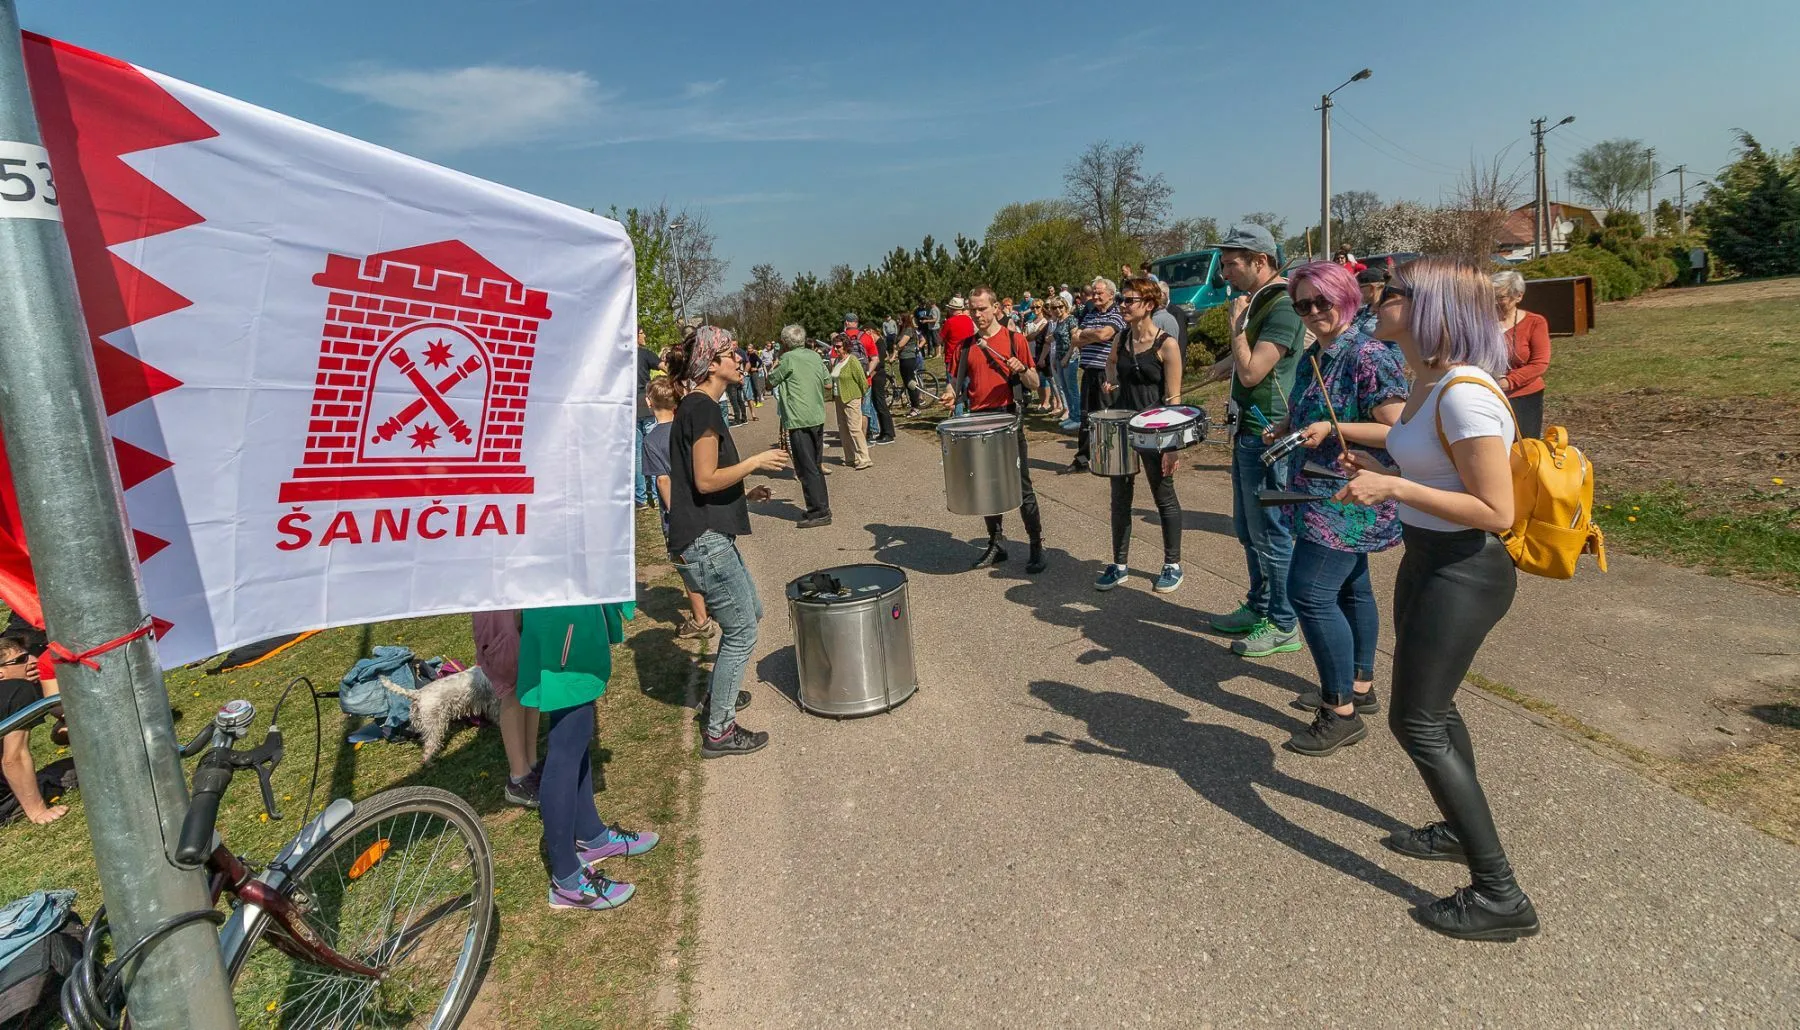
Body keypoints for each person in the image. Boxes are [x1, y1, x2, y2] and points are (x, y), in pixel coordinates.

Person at [1335, 256, 1538, 942]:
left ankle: (1500, 896)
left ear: (1430, 309)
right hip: (1427, 558)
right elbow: (1430, 466)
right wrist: (1381, 466)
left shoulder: (1464, 393)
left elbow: (1495, 510)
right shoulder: (1427, 382)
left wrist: (1394, 489)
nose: (1376, 298)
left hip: (1466, 569)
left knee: (1415, 721)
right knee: (1434, 710)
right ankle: (1458, 830)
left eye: (1391, 292)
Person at [1260, 262, 1409, 757]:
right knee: (1351, 586)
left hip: (1351, 495)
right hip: (1320, 489)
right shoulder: (1315, 356)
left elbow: (1396, 431)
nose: (1312, 312)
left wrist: (1331, 427)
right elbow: (1307, 407)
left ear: (1344, 296)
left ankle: (1339, 710)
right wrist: (1286, 425)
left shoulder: (1369, 355)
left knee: (1309, 592)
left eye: (1321, 301)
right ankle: (1359, 687)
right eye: (1303, 305)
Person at [667, 327, 789, 758]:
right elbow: (703, 479)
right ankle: (719, 730)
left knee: (749, 612)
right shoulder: (703, 410)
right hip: (706, 542)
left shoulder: (696, 407)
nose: (740, 360)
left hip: (708, 535)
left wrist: (743, 493)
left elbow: (698, 482)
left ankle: (722, 689)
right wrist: (756, 461)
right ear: (711, 363)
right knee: (743, 630)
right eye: (730, 354)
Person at [1206, 224, 1306, 659]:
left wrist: (1234, 328)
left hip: (1270, 433)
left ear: (1260, 261)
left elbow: (1253, 371)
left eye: (1231, 263)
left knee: (1272, 534)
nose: (1224, 272)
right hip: (1248, 429)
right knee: (1248, 530)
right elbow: (1241, 362)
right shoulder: (1262, 302)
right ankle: (1259, 605)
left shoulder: (1283, 306)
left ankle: (1284, 624)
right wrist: (1218, 366)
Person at [519, 603, 657, 910]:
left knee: (578, 734)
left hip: (572, 613)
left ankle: (591, 836)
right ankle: (567, 881)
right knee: (566, 744)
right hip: (562, 617)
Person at [938, 287, 1048, 573]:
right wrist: (951, 393)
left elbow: (1035, 383)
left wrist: (1022, 369)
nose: (977, 314)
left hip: (1008, 418)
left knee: (1022, 485)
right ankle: (996, 543)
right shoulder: (966, 346)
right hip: (978, 419)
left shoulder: (1015, 339)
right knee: (986, 487)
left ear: (996, 307)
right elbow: (956, 382)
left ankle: (1036, 544)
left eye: (982, 308)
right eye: (973, 309)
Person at [1094, 278, 1186, 594]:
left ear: (1148, 304)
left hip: (1156, 431)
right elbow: (1109, 366)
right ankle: (1119, 565)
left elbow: (1174, 398)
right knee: (1120, 498)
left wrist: (1174, 446)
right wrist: (1111, 383)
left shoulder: (1166, 345)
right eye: (1120, 298)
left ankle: (1172, 564)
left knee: (1163, 496)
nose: (1122, 304)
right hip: (1122, 427)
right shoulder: (1121, 338)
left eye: (1128, 300)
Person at [642, 376, 720, 641]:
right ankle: (717, 604)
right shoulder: (687, 429)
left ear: (648, 402)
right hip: (703, 503)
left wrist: (675, 513)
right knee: (709, 557)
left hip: (678, 514)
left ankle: (700, 619)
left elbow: (663, 479)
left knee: (687, 566)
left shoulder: (652, 440)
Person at [472, 610, 541, 807]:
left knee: (531, 682)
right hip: (497, 613)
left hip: (520, 604)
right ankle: (518, 776)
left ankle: (531, 763)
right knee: (513, 688)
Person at [0, 635, 71, 826]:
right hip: (4, 803)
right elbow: (13, 758)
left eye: (30, 655)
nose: (33, 661)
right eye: (21, 660)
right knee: (84, 768)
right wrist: (38, 812)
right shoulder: (17, 689)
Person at [767, 324, 832, 528]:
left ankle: (818, 511)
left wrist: (777, 362)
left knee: (806, 467)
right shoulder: (814, 356)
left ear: (785, 343)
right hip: (816, 415)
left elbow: (771, 381)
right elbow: (827, 382)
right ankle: (821, 506)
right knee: (815, 464)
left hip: (799, 418)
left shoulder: (787, 359)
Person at [1067, 277, 1126, 472]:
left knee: (1106, 417)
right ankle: (1082, 459)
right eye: (1094, 292)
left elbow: (1105, 335)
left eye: (1099, 292)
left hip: (1105, 374)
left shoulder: (1117, 313)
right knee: (1086, 418)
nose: (1095, 296)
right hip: (1089, 372)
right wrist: (1091, 334)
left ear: (1111, 294)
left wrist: (1087, 335)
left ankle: (1111, 458)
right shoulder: (1090, 313)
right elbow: (1075, 338)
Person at [1492, 270, 1550, 439]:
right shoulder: (1481, 323)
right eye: (1491, 296)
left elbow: (1540, 363)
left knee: (1522, 451)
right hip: (1488, 394)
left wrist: (1508, 382)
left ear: (1518, 296)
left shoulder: (1535, 322)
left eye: (1500, 297)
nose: (1494, 302)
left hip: (1524, 397)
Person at [829, 338, 874, 470]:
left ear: (845, 347)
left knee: (854, 428)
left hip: (852, 397)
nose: (836, 349)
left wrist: (862, 397)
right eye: (834, 346)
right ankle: (850, 457)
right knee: (843, 429)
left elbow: (862, 380)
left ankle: (864, 457)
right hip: (839, 398)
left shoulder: (852, 360)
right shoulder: (837, 361)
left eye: (838, 346)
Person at [634, 327, 663, 508]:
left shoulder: (620, 356)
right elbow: (665, 367)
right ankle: (658, 493)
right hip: (646, 404)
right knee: (653, 449)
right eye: (642, 333)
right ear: (635, 335)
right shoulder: (644, 354)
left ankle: (641, 497)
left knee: (637, 453)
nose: (644, 336)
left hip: (629, 407)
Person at [1049, 294, 1081, 430]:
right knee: (1064, 388)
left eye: (1060, 306)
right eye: (1054, 307)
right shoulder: (1058, 322)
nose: (1057, 310)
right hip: (1059, 357)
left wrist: (1067, 357)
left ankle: (1078, 417)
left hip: (1071, 357)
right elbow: (1057, 341)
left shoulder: (1071, 319)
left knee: (1072, 388)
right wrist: (1057, 359)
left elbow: (1075, 341)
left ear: (1065, 306)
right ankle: (1072, 415)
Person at [895, 312, 928, 415]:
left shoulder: (909, 329)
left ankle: (916, 407)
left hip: (909, 358)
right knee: (907, 383)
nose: (898, 321)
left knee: (911, 383)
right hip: (903, 358)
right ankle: (913, 406)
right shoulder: (902, 330)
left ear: (904, 320)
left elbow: (900, 344)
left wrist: (896, 348)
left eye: (899, 319)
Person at [1353, 265, 1388, 339]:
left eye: (1359, 287)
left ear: (1372, 288)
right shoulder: (1364, 309)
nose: (1357, 292)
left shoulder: (1388, 315)